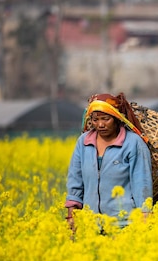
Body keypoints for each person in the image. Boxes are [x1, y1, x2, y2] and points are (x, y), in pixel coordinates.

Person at [65, 92, 153, 230]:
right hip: (90, 224)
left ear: (117, 118)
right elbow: (75, 179)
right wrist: (72, 213)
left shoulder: (132, 143)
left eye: (106, 119)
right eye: (95, 120)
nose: (100, 124)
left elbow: (141, 182)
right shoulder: (83, 142)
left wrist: (145, 214)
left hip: (123, 224)